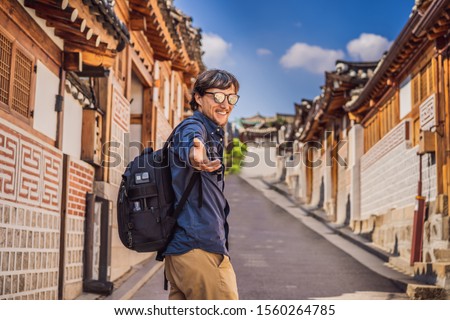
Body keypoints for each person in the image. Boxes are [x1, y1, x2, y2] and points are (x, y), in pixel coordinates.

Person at [163, 69, 240, 300]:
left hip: (182, 254)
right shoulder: (195, 127)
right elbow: (193, 143)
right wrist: (198, 155)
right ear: (198, 97)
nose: (225, 104)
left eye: (231, 98)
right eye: (217, 96)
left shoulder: (212, 132)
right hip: (199, 249)